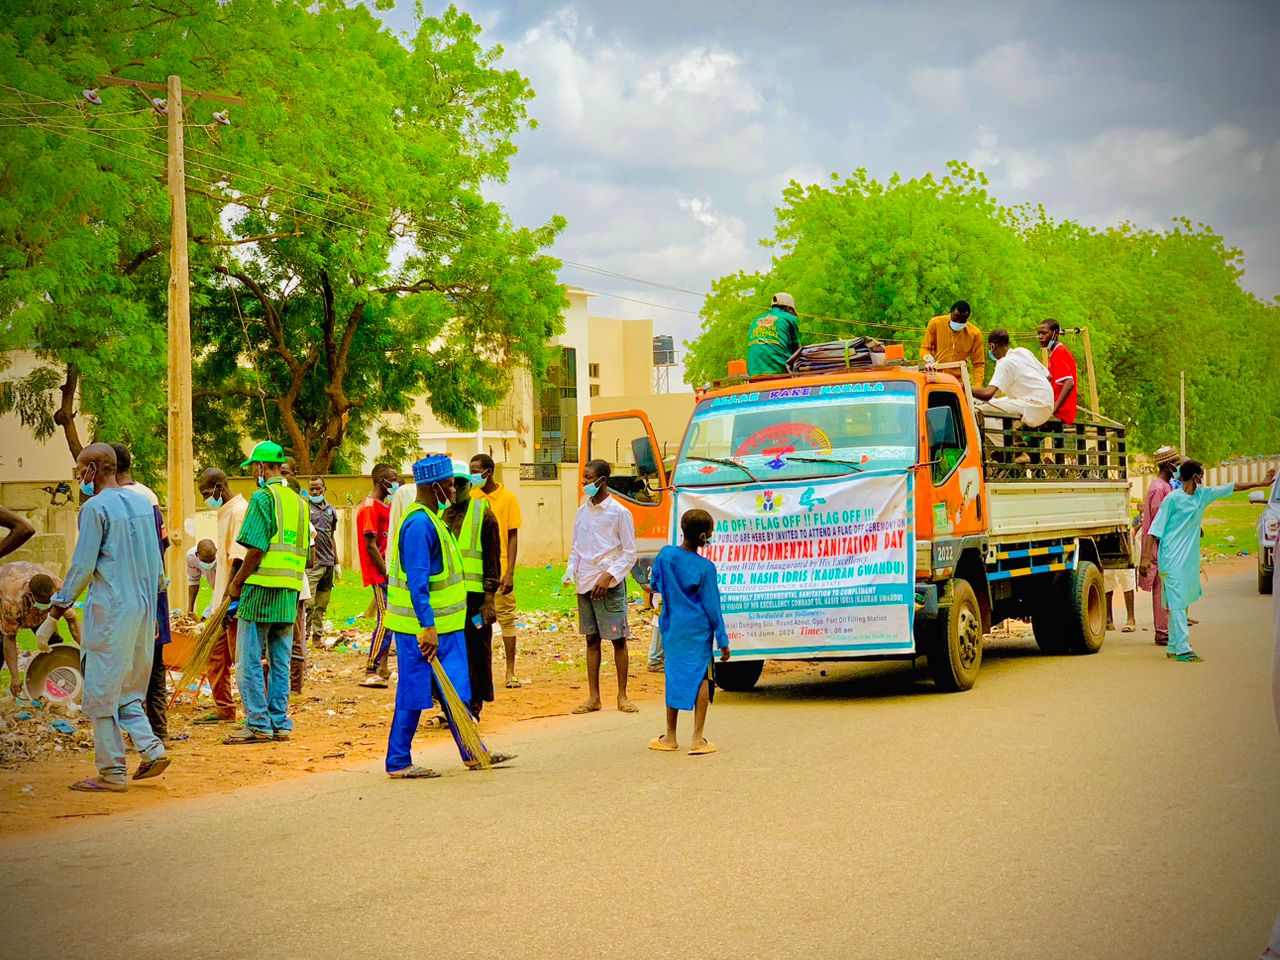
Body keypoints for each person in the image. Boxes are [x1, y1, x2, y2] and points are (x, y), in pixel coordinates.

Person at [382, 454, 513, 778]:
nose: (455, 489)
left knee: (457, 689)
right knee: (413, 692)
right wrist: (427, 626)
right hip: (422, 628)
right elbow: (417, 580)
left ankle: (472, 750)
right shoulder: (418, 524)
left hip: (447, 625)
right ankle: (398, 761)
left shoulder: (433, 519)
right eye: (451, 484)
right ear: (436, 485)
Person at [47, 443, 168, 791]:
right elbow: (159, 568)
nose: (77, 477)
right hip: (144, 611)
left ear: (96, 469)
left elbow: (83, 566)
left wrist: (56, 610)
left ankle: (112, 772)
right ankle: (151, 747)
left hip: (111, 613)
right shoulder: (144, 503)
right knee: (128, 688)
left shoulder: (95, 508)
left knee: (101, 691)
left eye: (80, 469)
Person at [1139, 460, 1276, 662]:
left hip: (1187, 561)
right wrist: (1144, 559)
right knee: (1177, 603)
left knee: (1182, 601)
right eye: (1201, 476)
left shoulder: (1201, 496)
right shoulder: (1172, 500)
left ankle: (1173, 646)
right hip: (1170, 558)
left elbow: (1233, 487)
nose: (1203, 479)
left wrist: (1261, 483)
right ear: (1194, 477)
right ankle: (1184, 648)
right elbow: (1153, 531)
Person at [224, 441, 310, 744]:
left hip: (261, 590)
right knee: (280, 660)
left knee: (247, 660)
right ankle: (279, 722)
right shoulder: (300, 502)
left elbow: (256, 548)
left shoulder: (262, 498)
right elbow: (308, 555)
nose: (253, 474)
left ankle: (258, 722)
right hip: (289, 592)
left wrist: (236, 584)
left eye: (253, 468)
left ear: (261, 468)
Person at [647, 510, 730, 756]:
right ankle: (697, 738)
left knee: (673, 674)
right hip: (698, 629)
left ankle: (670, 736)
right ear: (703, 536)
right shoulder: (706, 568)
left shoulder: (666, 555)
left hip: (673, 627)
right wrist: (723, 639)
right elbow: (713, 606)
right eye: (711, 533)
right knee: (701, 676)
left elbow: (654, 584)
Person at [564, 459, 639, 715]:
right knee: (591, 639)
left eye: (588, 478)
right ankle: (593, 697)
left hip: (609, 585)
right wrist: (569, 570)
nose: (583, 482)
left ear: (602, 481)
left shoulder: (620, 513)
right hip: (585, 583)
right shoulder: (581, 512)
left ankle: (622, 695)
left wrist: (609, 576)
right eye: (582, 478)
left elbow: (629, 554)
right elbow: (577, 547)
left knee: (618, 639)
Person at [112, 442, 171, 741]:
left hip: (126, 596)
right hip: (154, 591)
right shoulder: (148, 496)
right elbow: (163, 546)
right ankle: (157, 729)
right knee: (154, 663)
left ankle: (139, 733)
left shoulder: (109, 502)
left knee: (128, 666)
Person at [443, 461, 500, 718]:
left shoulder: (483, 514)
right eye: (451, 483)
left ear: (470, 484)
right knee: (450, 652)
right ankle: (451, 706)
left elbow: (492, 561)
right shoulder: (442, 515)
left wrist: (489, 601)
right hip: (448, 598)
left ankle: (473, 706)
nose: (455, 489)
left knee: (476, 653)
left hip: (475, 601)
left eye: (461, 483)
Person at [195, 467, 248, 723]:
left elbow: (238, 558)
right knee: (215, 655)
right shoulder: (224, 512)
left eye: (207, 493)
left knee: (241, 660)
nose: (206, 498)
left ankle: (252, 713)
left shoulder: (238, 512)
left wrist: (232, 598)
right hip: (220, 602)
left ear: (219, 486)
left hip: (233, 601)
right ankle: (224, 708)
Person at [470, 453, 524, 689]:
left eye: (475, 471)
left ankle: (510, 671)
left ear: (487, 472)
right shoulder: (471, 497)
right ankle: (482, 670)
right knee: (478, 623)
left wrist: (509, 571)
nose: (472, 476)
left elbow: (513, 536)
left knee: (506, 619)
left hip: (501, 569)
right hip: (477, 574)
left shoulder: (508, 498)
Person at [1, 562, 80, 699]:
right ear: (30, 596)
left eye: (49, 602)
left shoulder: (60, 589)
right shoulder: (12, 602)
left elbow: (72, 621)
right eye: (43, 603)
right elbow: (10, 638)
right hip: (5, 592)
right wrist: (15, 677)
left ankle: (50, 680)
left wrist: (88, 651)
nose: (46, 606)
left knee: (54, 644)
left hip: (28, 584)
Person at [357, 463, 398, 688]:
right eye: (392, 479)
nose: (396, 482)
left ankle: (382, 667)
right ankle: (370, 668)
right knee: (386, 619)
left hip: (386, 571)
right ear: (381, 481)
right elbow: (371, 545)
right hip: (379, 573)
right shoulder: (370, 507)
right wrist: (385, 572)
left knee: (390, 620)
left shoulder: (385, 506)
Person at [970, 329, 1053, 430]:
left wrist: (963, 387)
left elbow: (988, 394)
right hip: (1047, 404)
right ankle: (1016, 438)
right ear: (1008, 343)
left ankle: (1010, 441)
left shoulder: (1004, 363)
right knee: (994, 403)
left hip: (1033, 405)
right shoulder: (1023, 352)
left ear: (992, 346)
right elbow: (1048, 377)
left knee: (976, 411)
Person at [1139, 446, 1180, 646]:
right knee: (1161, 589)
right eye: (1177, 463)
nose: (1179, 467)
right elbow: (1156, 524)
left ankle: (1167, 628)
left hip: (1165, 546)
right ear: (1168, 465)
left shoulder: (1166, 486)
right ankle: (1162, 632)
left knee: (1166, 588)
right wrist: (1146, 556)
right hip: (1159, 547)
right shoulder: (1158, 489)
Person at [305, 477, 339, 649]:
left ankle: (317, 638)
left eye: (318, 489)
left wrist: (336, 563)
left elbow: (331, 537)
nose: (315, 492)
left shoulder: (331, 510)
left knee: (321, 604)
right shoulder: (304, 509)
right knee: (308, 603)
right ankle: (303, 637)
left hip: (328, 563)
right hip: (313, 563)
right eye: (312, 489)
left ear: (324, 488)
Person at [922, 301, 985, 384]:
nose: (958, 322)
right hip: (935, 377)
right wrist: (928, 358)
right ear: (950, 313)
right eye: (955, 318)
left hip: (958, 382)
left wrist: (977, 387)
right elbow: (925, 348)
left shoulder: (974, 334)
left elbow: (979, 364)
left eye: (962, 320)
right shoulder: (936, 323)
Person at [746, 292, 801, 376]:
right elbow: (797, 350)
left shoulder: (755, 320)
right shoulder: (790, 318)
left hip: (754, 371)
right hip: (779, 370)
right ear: (789, 308)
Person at [1037, 319, 1078, 425]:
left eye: (1044, 333)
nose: (1040, 337)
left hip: (1060, 413)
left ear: (1055, 334)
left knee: (1019, 431)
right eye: (1039, 333)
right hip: (1059, 412)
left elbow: (1069, 382)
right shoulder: (1057, 352)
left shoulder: (1058, 353)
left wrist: (1054, 409)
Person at [185, 539, 217, 616]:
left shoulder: (222, 556)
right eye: (204, 560)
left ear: (216, 551)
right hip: (214, 588)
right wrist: (190, 609)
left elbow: (221, 590)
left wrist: (208, 613)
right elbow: (193, 581)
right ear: (197, 554)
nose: (209, 563)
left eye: (211, 560)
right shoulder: (191, 557)